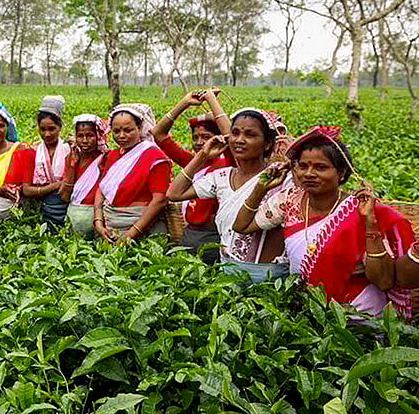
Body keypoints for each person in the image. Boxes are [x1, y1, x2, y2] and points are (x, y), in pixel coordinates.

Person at [233, 127, 413, 316]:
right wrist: (261, 188)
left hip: (358, 313)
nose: (309, 174)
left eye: (320, 167)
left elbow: (384, 281)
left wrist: (369, 223)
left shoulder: (359, 210)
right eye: (303, 166)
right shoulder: (289, 200)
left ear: (341, 173)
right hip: (309, 309)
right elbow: (242, 226)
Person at [166, 108, 287, 281]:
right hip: (228, 270)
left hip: (268, 276)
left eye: (250, 135)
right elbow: (174, 193)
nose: (239, 140)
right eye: (235, 133)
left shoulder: (278, 177)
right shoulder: (222, 177)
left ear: (267, 143)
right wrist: (203, 155)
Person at [152, 89, 231, 263]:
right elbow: (158, 134)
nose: (200, 143)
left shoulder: (229, 165)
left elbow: (230, 137)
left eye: (206, 137)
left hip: (214, 237)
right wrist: (185, 102)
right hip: (190, 235)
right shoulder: (193, 162)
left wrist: (211, 101)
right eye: (196, 137)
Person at [92, 104, 171, 243]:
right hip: (111, 228)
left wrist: (131, 234)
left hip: (144, 229)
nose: (122, 136)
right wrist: (98, 221)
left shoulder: (155, 156)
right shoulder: (112, 155)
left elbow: (159, 200)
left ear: (140, 128)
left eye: (128, 130)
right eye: (116, 131)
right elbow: (102, 188)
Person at [23, 96, 72, 227]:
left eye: (51, 129)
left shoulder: (70, 150)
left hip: (66, 208)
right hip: (41, 210)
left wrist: (42, 189)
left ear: (60, 127)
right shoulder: (32, 152)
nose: (47, 134)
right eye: (42, 129)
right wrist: (55, 186)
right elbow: (27, 190)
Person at [59, 114, 110, 237]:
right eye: (80, 136)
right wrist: (72, 166)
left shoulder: (106, 159)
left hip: (97, 218)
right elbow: (65, 196)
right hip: (74, 216)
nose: (85, 140)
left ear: (98, 137)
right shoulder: (71, 159)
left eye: (90, 135)